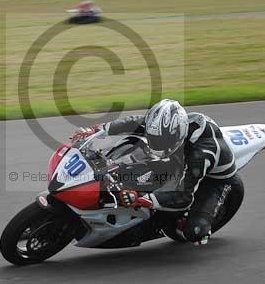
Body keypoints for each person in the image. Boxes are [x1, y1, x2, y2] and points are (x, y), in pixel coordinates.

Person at [71, 99, 236, 244]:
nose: (156, 144)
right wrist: (96, 130)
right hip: (180, 156)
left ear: (178, 134)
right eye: (154, 138)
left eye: (162, 141)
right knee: (135, 159)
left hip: (215, 180)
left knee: (194, 233)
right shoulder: (166, 127)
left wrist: (141, 199)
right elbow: (133, 122)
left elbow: (183, 197)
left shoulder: (200, 155)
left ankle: (196, 224)